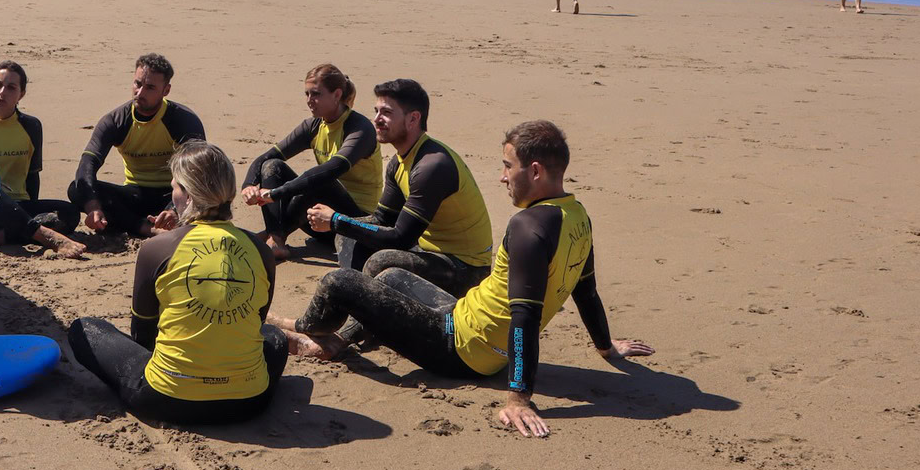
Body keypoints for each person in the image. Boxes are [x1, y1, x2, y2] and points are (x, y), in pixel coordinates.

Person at [272, 120, 653, 437]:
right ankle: (340, 339)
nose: (502, 177)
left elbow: (525, 317)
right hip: (462, 315)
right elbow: (586, 290)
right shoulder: (578, 216)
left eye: (508, 166)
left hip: (460, 350)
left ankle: (305, 330)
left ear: (535, 171)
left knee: (339, 282)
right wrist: (606, 347)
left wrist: (518, 398)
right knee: (388, 273)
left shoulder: (528, 227)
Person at [68, 141, 287, 425]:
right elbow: (256, 322)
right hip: (250, 402)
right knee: (274, 336)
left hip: (166, 401)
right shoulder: (260, 250)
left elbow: (143, 333)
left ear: (188, 194)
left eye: (174, 188)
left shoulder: (157, 248)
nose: (173, 196)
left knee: (85, 329)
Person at [300, 78, 492, 289]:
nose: (376, 119)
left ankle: (357, 296)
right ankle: (356, 293)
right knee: (347, 237)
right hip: (427, 250)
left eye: (386, 113)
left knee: (380, 262)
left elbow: (400, 238)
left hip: (465, 267)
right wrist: (342, 224)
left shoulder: (432, 166)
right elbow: (383, 219)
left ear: (413, 119)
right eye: (376, 111)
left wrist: (337, 220)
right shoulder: (398, 162)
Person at [240, 64, 383, 262]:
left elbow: (333, 170)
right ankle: (275, 236)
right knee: (272, 166)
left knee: (319, 179)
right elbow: (266, 157)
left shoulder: (360, 129)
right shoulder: (314, 126)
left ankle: (274, 236)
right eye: (306, 94)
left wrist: (276, 193)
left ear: (337, 95)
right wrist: (248, 185)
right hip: (317, 221)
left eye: (315, 94)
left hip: (353, 224)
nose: (309, 100)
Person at [0, 61, 87, 259]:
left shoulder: (31, 126)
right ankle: (44, 236)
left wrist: (29, 213)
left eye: (11, 88)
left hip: (19, 206)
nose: (2, 92)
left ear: (21, 94)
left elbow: (32, 175)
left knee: (69, 213)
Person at [69, 54, 205, 237]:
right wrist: (93, 206)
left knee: (205, 191)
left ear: (166, 90)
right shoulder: (116, 121)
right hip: (135, 196)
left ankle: (140, 223)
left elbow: (198, 171)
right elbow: (88, 164)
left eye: (150, 87)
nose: (140, 93)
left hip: (174, 194)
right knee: (77, 189)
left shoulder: (183, 120)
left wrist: (173, 209)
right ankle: (146, 228)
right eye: (137, 84)